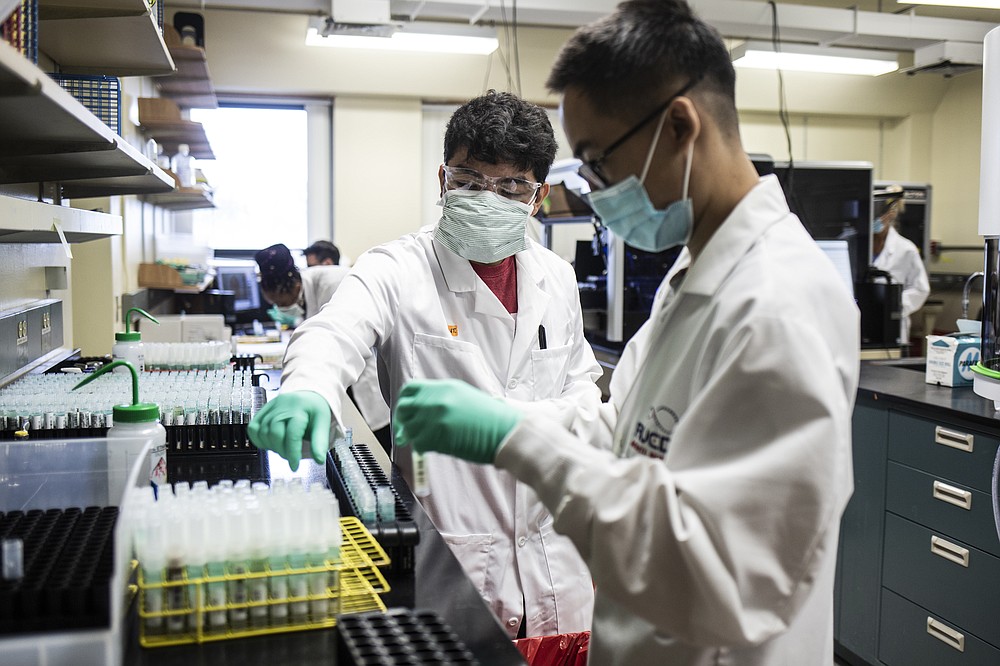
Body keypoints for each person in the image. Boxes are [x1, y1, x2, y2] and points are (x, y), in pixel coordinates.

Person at [392, 2, 860, 664]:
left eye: (597, 161)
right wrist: (502, 420)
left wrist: (517, 439)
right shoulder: (699, 276)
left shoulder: (778, 304)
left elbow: (717, 572)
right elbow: (626, 436)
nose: (593, 190)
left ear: (678, 126)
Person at [248, 92, 603, 639]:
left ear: (538, 198)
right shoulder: (398, 267)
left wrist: (515, 425)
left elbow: (585, 397)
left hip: (558, 561)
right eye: (469, 181)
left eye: (510, 186)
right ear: (442, 180)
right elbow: (332, 329)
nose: (488, 198)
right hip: (454, 560)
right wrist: (310, 389)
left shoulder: (556, 277)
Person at [254, 244, 390, 445]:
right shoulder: (305, 286)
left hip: (366, 371)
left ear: (293, 286)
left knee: (378, 445)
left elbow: (334, 338)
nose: (280, 308)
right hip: (347, 372)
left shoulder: (333, 283)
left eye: (282, 303)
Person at [871, 186, 930, 348]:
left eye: (879, 215)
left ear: (891, 214)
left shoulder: (906, 249)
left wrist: (894, 304)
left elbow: (921, 289)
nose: (874, 220)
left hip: (892, 324)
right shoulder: (852, 242)